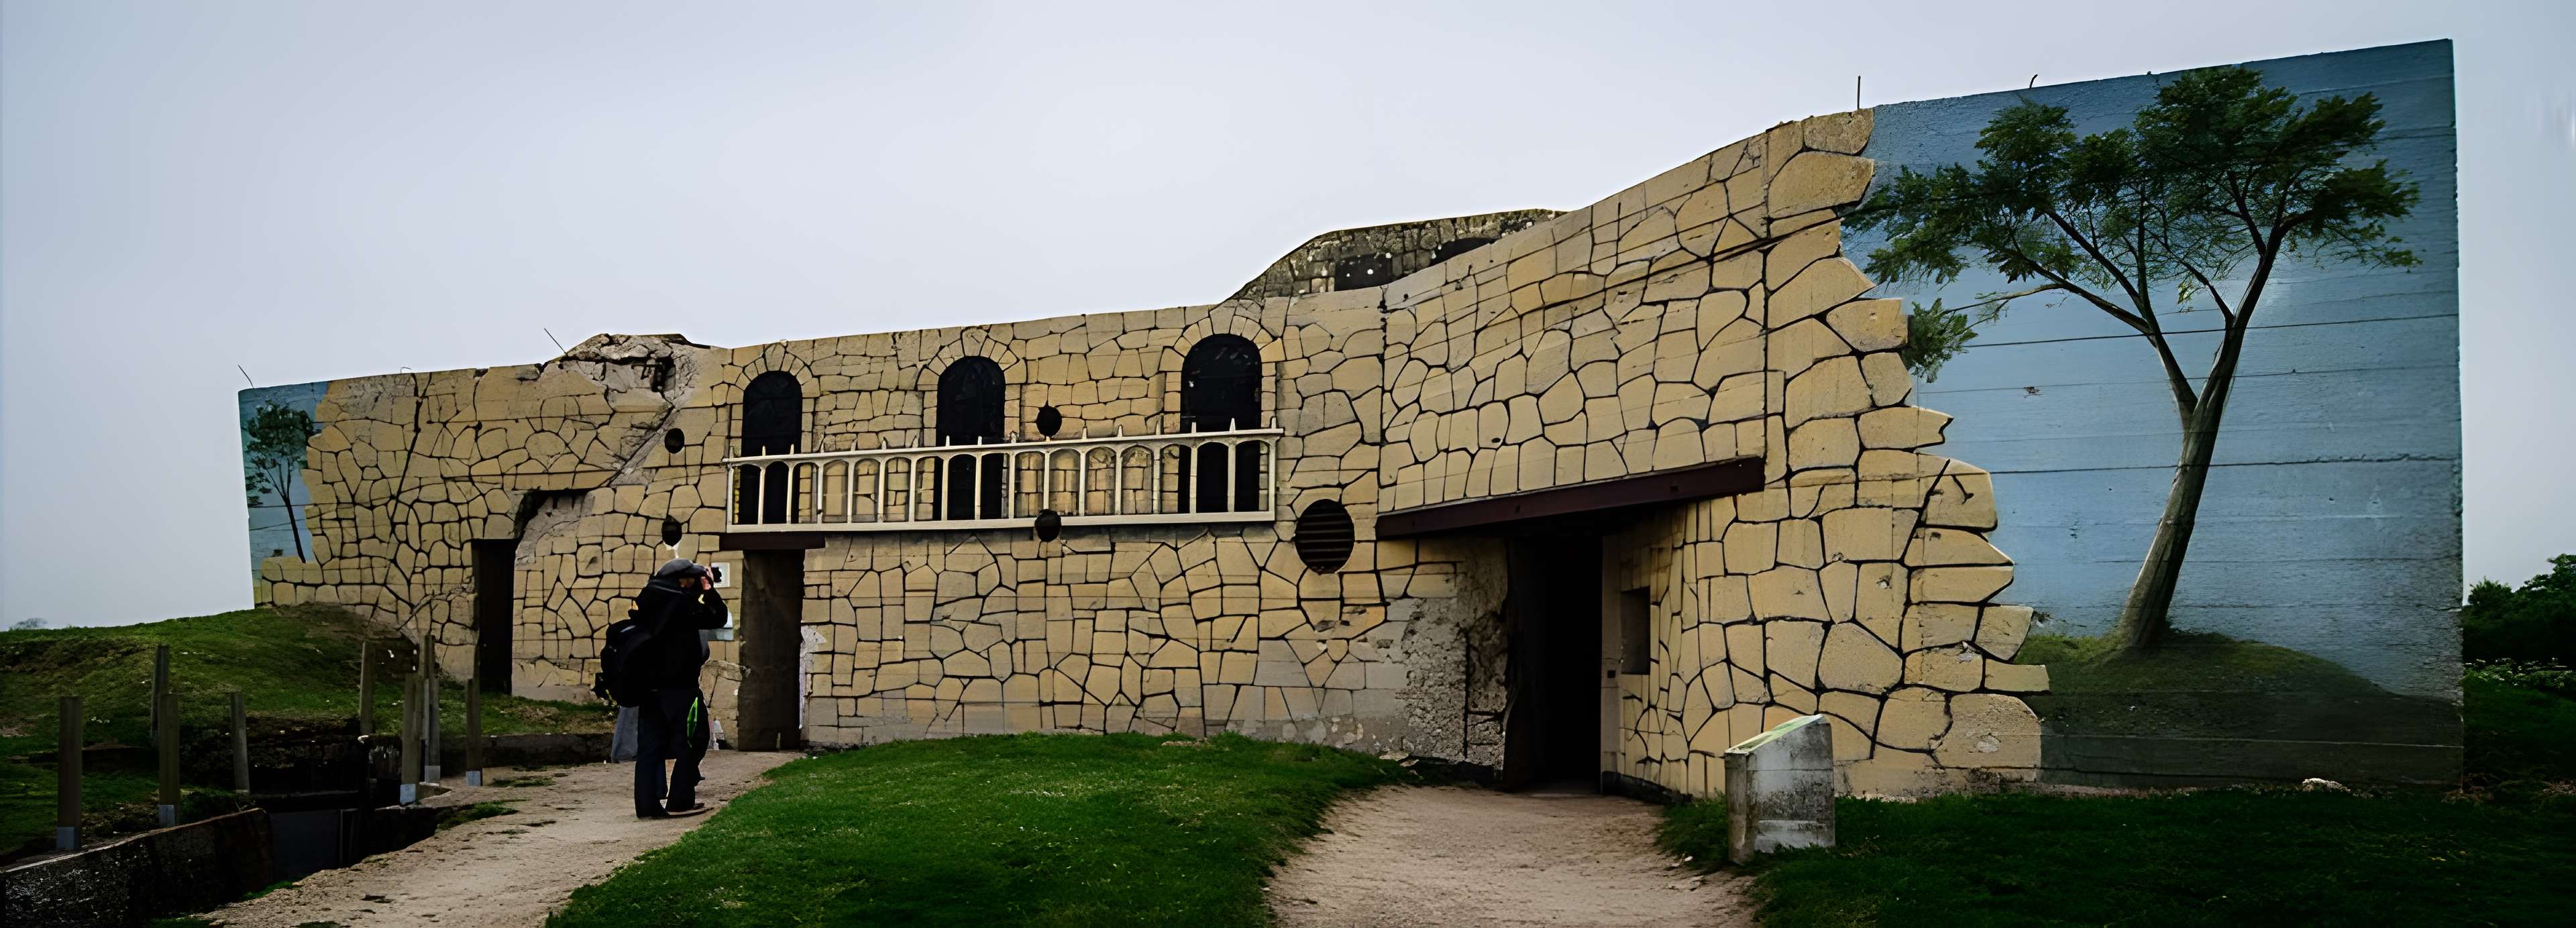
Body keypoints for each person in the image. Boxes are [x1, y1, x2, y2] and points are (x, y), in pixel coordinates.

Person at [627, 557, 727, 819]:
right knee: (694, 741)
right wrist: (709, 590)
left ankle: (647, 807)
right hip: (680, 689)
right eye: (690, 579)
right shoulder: (682, 604)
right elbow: (718, 617)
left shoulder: (647, 602)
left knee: (650, 749)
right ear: (682, 580)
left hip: (649, 690)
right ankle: (680, 801)